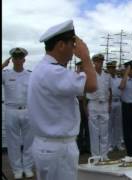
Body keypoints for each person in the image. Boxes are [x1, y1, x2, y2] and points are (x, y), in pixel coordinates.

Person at [27, 20, 97, 180]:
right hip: (58, 150)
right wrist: (86, 56)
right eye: (72, 44)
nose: (74, 50)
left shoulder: (42, 68)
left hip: (48, 146)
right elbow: (92, 85)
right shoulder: (53, 72)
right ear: (60, 45)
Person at [2, 48, 34, 179]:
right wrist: (3, 65)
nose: (17, 60)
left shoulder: (30, 75)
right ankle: (17, 169)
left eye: (20, 57)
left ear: (24, 59)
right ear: (12, 60)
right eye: (15, 58)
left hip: (27, 110)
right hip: (11, 110)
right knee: (13, 142)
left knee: (29, 141)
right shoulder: (5, 74)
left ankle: (27, 167)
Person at [86, 53, 112, 159]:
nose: (99, 63)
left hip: (104, 105)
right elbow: (84, 92)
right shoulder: (89, 75)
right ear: (94, 62)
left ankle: (104, 154)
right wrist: (85, 107)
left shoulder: (107, 76)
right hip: (93, 104)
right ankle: (95, 155)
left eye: (101, 61)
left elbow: (110, 91)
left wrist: (109, 104)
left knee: (105, 131)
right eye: (97, 61)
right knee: (94, 132)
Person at [107, 61, 124, 151]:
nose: (112, 70)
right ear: (108, 69)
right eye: (110, 68)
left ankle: (118, 143)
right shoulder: (106, 79)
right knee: (109, 125)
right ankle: (110, 144)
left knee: (118, 125)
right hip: (110, 102)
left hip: (118, 102)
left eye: (113, 68)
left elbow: (122, 89)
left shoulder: (119, 79)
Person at [75, 60, 90, 154]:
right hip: (79, 104)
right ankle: (80, 147)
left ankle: (88, 146)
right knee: (79, 127)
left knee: (88, 126)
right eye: (79, 67)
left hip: (88, 103)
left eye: (82, 67)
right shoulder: (75, 77)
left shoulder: (87, 77)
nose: (81, 69)